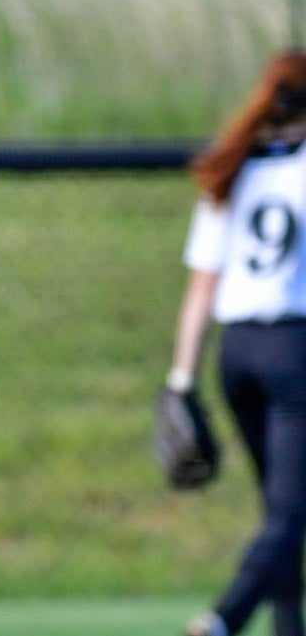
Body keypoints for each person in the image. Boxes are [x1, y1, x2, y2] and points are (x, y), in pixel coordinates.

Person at [160, 48, 306, 636]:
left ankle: (288, 625)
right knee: (289, 513)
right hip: (294, 350)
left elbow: (202, 288)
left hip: (236, 352)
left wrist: (181, 378)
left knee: (281, 512)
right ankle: (224, 619)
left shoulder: (234, 166)